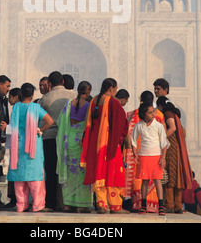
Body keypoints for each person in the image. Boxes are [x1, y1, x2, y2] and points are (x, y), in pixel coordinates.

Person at [80, 78, 128, 214]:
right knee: (112, 172)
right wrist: (120, 139)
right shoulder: (112, 102)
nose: (116, 91)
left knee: (98, 172)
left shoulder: (94, 100)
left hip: (94, 142)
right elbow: (121, 122)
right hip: (108, 142)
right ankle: (115, 206)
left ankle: (101, 204)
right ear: (112, 88)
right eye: (116, 89)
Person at [7, 83, 53, 212]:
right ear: (32, 95)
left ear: (21, 94)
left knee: (20, 176)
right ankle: (38, 205)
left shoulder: (16, 108)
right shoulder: (35, 108)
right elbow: (50, 121)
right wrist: (40, 130)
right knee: (35, 175)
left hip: (18, 146)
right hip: (33, 146)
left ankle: (21, 205)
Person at [123, 90, 166, 212]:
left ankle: (140, 205)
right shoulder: (159, 115)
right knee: (153, 180)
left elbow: (130, 137)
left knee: (142, 180)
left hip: (141, 153)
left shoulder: (133, 114)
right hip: (150, 152)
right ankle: (157, 205)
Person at [39, 71, 75, 211]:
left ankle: (51, 203)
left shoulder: (46, 98)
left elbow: (40, 118)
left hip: (50, 137)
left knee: (50, 170)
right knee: (67, 170)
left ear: (50, 84)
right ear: (63, 82)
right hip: (68, 138)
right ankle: (68, 202)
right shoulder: (73, 96)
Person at [56, 81, 92, 213]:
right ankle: (82, 204)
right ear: (88, 92)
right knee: (82, 172)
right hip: (81, 142)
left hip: (69, 141)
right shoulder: (88, 105)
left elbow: (60, 122)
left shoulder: (68, 104)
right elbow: (89, 125)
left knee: (70, 171)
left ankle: (68, 204)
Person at [156, 96, 193, 213]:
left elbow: (172, 128)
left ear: (161, 106)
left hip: (171, 148)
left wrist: (162, 139)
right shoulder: (174, 114)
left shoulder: (167, 114)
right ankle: (177, 206)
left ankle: (169, 205)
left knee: (170, 176)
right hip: (176, 147)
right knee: (177, 176)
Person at [131, 102, 167, 216]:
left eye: (153, 112)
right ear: (144, 114)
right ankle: (143, 205)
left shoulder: (158, 126)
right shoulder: (138, 125)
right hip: (143, 156)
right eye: (150, 112)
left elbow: (164, 143)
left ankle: (161, 206)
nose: (153, 114)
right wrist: (135, 154)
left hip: (156, 156)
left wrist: (163, 157)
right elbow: (133, 141)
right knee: (145, 181)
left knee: (157, 181)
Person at [1, 87, 22, 210]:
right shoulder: (16, 108)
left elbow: (18, 128)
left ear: (16, 97)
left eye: (10, 97)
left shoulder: (17, 108)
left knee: (15, 173)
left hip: (18, 145)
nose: (9, 99)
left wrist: (7, 127)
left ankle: (15, 199)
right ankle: (13, 199)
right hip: (16, 145)